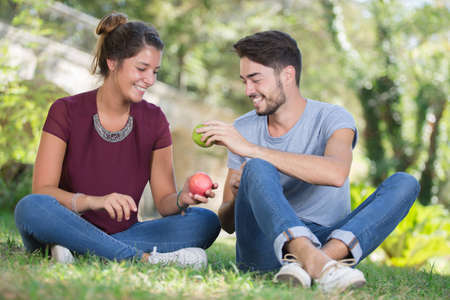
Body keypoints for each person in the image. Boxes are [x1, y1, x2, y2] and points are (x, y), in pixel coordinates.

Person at [197, 31, 419, 292]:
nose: (248, 90)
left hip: (327, 239)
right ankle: (319, 264)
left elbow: (336, 172)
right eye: (244, 81)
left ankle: (310, 262)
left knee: (405, 183)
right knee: (257, 167)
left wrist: (251, 149)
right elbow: (228, 224)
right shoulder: (242, 128)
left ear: (288, 76)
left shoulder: (333, 118)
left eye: (256, 80)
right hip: (265, 249)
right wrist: (237, 195)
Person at [14, 12, 221, 269]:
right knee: (31, 207)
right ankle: (142, 259)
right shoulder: (65, 110)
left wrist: (183, 198)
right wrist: (93, 201)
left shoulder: (155, 119)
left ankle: (80, 251)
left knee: (205, 221)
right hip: (63, 224)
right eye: (142, 68)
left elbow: (165, 202)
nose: (150, 80)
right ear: (112, 62)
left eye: (155, 71)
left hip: (124, 233)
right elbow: (43, 191)